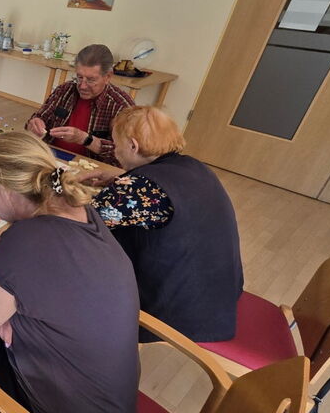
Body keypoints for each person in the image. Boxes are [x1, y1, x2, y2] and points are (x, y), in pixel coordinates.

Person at [0, 132, 140, 413]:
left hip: (61, 404)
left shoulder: (26, 239)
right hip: (113, 395)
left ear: (6, 189)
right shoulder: (80, 208)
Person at [85, 106, 244, 342]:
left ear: (133, 145)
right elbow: (157, 201)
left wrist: (59, 185)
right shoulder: (194, 166)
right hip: (218, 291)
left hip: (180, 310)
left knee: (77, 262)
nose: (115, 151)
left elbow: (82, 221)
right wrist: (118, 181)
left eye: (116, 144)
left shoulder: (140, 188)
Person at [25, 44, 134, 166]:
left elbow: (128, 156)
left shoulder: (121, 106)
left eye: (91, 80)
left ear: (108, 76)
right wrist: (34, 124)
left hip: (91, 170)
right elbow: (37, 119)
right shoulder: (64, 90)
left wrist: (85, 139)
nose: (82, 86)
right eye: (79, 77)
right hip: (51, 159)